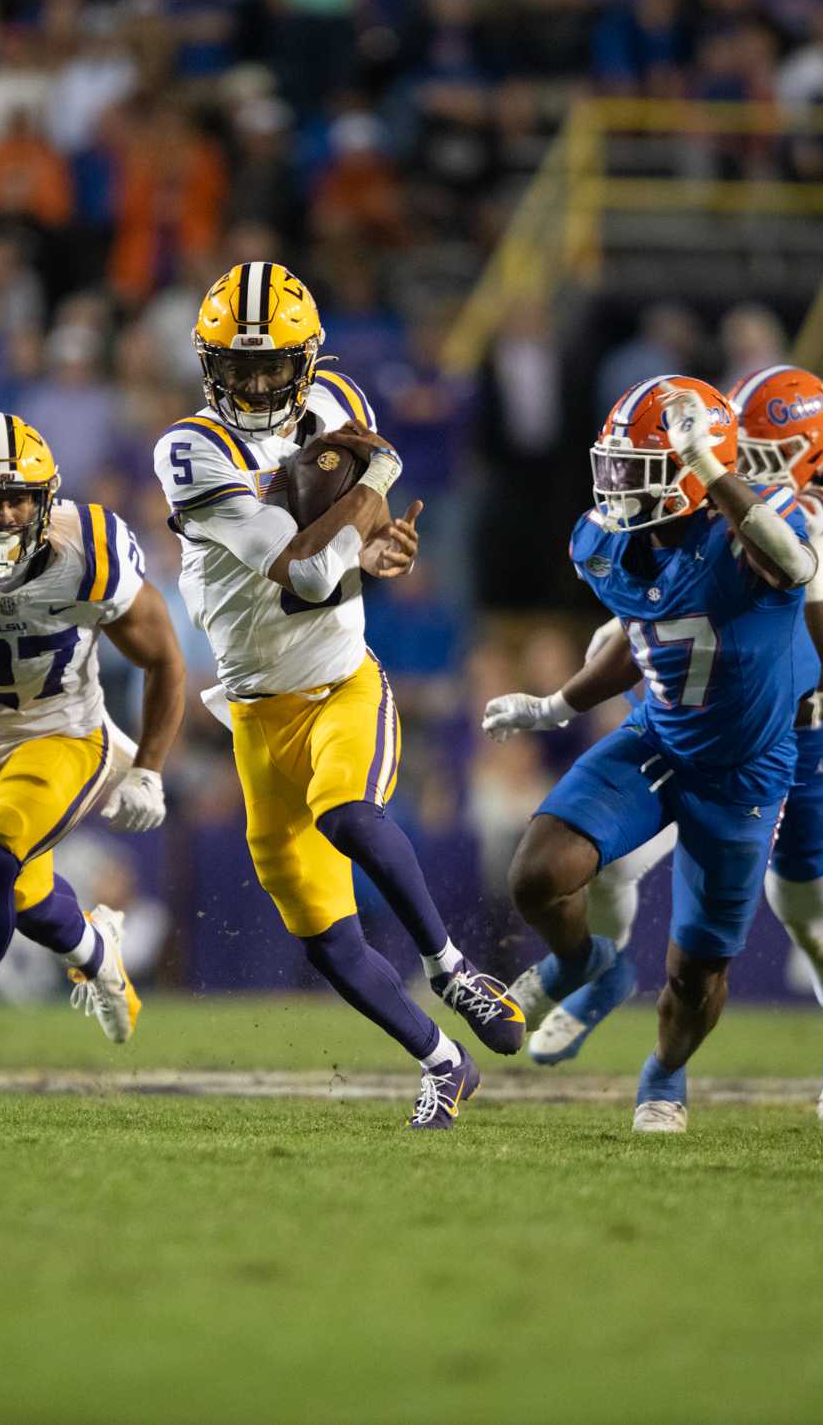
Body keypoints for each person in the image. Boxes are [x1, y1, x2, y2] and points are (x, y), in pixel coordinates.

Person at [154, 261, 523, 1130]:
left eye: (270, 364)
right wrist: (373, 497)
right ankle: (443, 1061)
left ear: (306, 360)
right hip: (253, 706)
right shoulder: (192, 449)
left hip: (340, 683)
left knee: (347, 811)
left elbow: (340, 551)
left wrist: (374, 534)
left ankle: (452, 966)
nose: (251, 383)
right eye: (235, 366)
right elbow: (311, 565)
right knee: (322, 930)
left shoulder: (336, 404)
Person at [503, 367, 823, 1120]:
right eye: (616, 466)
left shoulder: (789, 528)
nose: (618, 485)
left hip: (764, 761)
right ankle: (591, 968)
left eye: (638, 471)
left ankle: (683, 1065)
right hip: (664, 734)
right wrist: (558, 701)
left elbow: (800, 580)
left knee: (738, 951)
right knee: (552, 872)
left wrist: (716, 472)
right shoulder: (606, 541)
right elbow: (648, 630)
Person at [0, 412, 186, 1102]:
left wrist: (149, 769)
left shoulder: (90, 551)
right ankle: (97, 952)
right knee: (16, 892)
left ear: (47, 499)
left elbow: (166, 659)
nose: (6, 513)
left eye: (19, 497)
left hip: (66, 734)